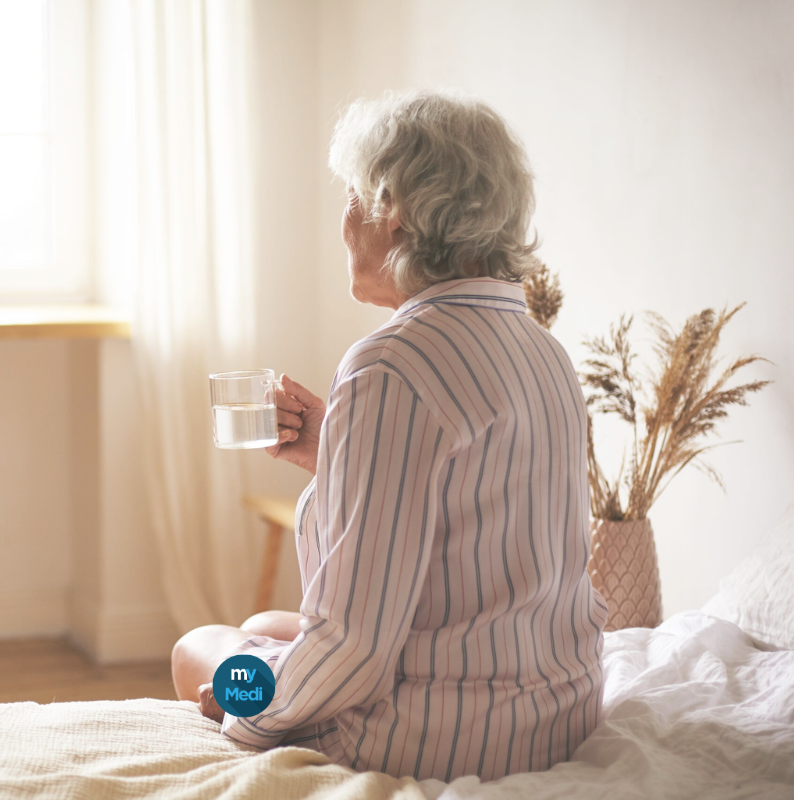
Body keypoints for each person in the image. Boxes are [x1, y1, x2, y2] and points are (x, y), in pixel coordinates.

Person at [171, 89, 607, 782]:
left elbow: (354, 642)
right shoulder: (539, 347)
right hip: (557, 709)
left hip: (446, 735)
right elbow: (473, 508)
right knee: (266, 621)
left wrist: (243, 709)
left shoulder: (392, 364)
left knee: (202, 647)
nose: (344, 222)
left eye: (351, 197)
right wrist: (334, 453)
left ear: (391, 208)